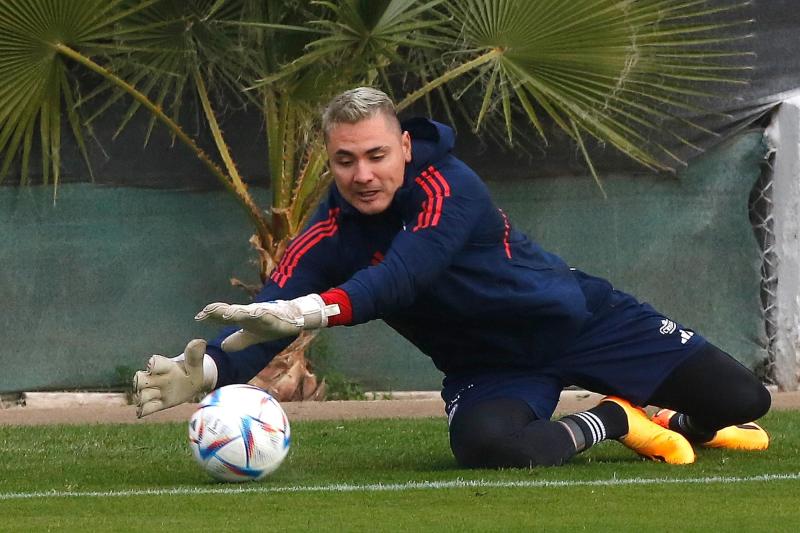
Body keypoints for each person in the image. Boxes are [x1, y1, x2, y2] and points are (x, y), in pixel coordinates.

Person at [133, 87, 771, 468]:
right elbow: (268, 315)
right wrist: (211, 369)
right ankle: (617, 420)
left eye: (377, 155)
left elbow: (404, 277)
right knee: (488, 449)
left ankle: (674, 423)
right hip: (490, 367)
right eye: (346, 160)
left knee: (742, 401)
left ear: (404, 148)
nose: (363, 174)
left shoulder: (449, 186)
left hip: (580, 321)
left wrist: (312, 312)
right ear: (331, 161)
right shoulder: (329, 230)